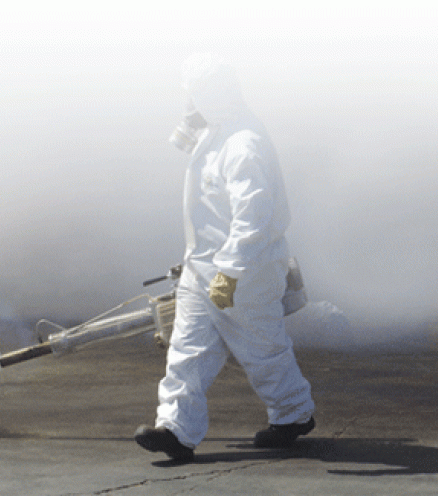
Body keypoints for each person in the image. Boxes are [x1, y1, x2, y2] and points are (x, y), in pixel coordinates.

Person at [134, 53, 316, 463]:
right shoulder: (216, 129)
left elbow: (253, 218)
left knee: (261, 350)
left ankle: (293, 415)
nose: (191, 101)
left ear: (212, 94)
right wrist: (189, 119)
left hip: (244, 272)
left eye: (195, 94)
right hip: (203, 269)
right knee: (187, 350)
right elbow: (186, 152)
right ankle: (176, 430)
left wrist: (229, 275)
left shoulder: (243, 144)